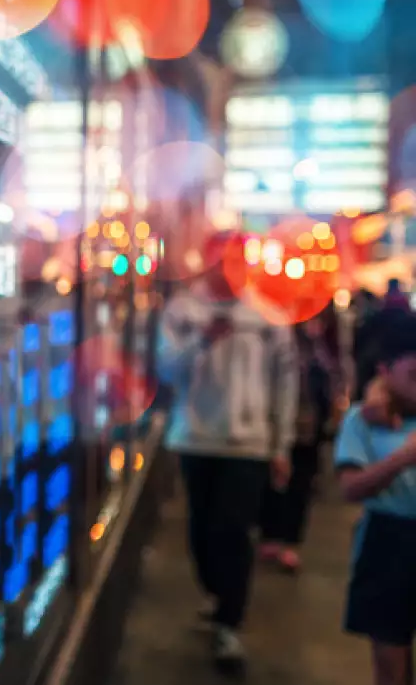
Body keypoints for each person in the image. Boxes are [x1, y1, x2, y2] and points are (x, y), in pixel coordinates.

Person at [158, 231, 299, 678]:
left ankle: (229, 621)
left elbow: (285, 383)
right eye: (222, 261)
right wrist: (202, 340)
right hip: (196, 438)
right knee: (201, 529)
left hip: (248, 444)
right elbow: (165, 368)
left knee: (234, 529)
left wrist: (281, 445)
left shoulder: (268, 316)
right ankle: (218, 593)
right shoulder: (184, 310)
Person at [334, 313, 416, 685]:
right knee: (389, 662)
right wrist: (402, 459)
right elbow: (350, 488)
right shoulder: (361, 420)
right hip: (387, 546)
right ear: (385, 370)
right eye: (413, 374)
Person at [259, 307, 341, 572]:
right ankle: (272, 535)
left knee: (299, 483)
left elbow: (331, 380)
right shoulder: (276, 337)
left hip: (306, 426)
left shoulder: (319, 346)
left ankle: (288, 540)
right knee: (274, 481)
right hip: (275, 423)